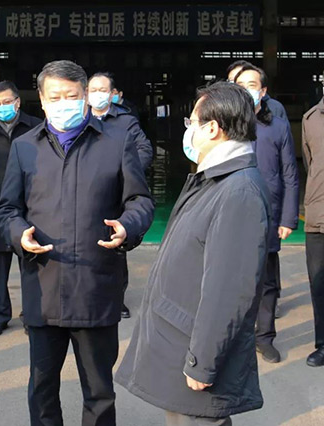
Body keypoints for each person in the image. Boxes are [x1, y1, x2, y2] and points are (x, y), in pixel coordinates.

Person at [0, 60, 154, 426]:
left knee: (99, 392)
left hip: (95, 287)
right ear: (41, 99)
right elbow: (6, 209)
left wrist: (128, 226)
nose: (63, 103)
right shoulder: (24, 147)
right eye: (55, 97)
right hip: (43, 287)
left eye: (71, 96)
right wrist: (19, 232)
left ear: (85, 97)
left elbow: (140, 201)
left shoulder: (116, 143)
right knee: (42, 388)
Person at [116, 82, 271, 425]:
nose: (189, 131)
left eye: (192, 123)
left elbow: (229, 291)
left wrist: (203, 361)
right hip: (179, 338)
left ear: (212, 128)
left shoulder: (238, 191)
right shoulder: (214, 179)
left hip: (194, 349)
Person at [234, 64, 299, 363]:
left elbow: (290, 173)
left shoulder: (278, 127)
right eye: (241, 85)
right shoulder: (225, 125)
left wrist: (288, 218)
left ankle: (265, 337)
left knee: (268, 281)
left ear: (263, 91)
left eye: (252, 85)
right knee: (233, 278)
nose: (247, 90)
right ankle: (235, 337)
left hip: (268, 212)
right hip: (234, 212)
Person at [0, 80, 42, 337]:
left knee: (30, 261)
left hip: (30, 202)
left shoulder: (36, 127)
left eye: (6, 102)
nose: (2, 107)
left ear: (17, 102)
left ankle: (31, 314)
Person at [88, 71, 153, 319]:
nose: (98, 94)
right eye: (93, 90)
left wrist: (126, 172)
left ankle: (117, 299)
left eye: (103, 90)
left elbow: (144, 149)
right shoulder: (79, 120)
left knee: (115, 245)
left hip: (114, 193)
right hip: (86, 190)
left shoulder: (125, 121)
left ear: (113, 94)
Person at [302, 72, 324, 367]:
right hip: (318, 215)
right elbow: (310, 164)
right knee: (319, 284)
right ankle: (322, 344)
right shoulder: (311, 119)